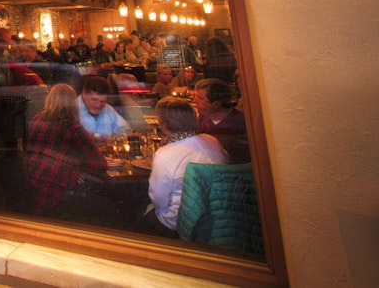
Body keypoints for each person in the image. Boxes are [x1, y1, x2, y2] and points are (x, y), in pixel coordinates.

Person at [25, 84, 108, 216]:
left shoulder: (36, 120)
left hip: (35, 188)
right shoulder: (73, 129)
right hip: (59, 194)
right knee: (111, 197)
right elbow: (100, 164)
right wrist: (77, 167)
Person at [147, 96, 227, 232]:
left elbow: (159, 199)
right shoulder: (212, 140)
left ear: (163, 124)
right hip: (218, 215)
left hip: (179, 221)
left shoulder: (165, 154)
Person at [193, 78, 250, 163]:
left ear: (216, 104)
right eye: (195, 97)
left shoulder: (240, 123)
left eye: (200, 98)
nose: (195, 101)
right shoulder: (203, 117)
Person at [77, 74, 130, 140]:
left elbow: (124, 130)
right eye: (94, 100)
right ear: (84, 93)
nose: (98, 105)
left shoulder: (108, 109)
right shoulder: (71, 110)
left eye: (102, 101)